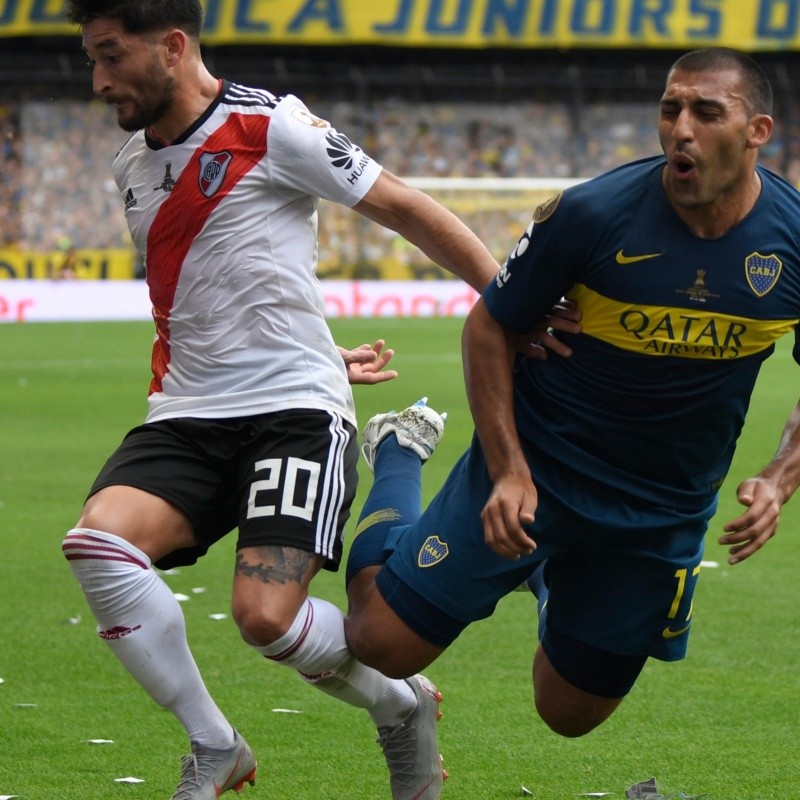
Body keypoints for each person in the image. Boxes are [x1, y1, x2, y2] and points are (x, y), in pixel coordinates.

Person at [59, 2, 579, 799]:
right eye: (89, 58)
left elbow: (409, 208)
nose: (96, 80)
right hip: (188, 411)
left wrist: (510, 305)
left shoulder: (275, 130)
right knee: (96, 545)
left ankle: (398, 704)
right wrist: (315, 338)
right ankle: (214, 743)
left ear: (171, 45)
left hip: (292, 415)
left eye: (109, 56)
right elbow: (209, 286)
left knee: (265, 619)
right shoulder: (133, 163)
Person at [343, 46, 800, 746]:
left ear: (757, 130)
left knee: (569, 714)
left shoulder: (793, 240)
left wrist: (778, 476)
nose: (682, 128)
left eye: (707, 112)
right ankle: (399, 452)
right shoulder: (592, 214)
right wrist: (509, 470)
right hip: (539, 468)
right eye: (670, 108)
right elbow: (489, 326)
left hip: (660, 506)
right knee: (379, 641)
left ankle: (558, 572)